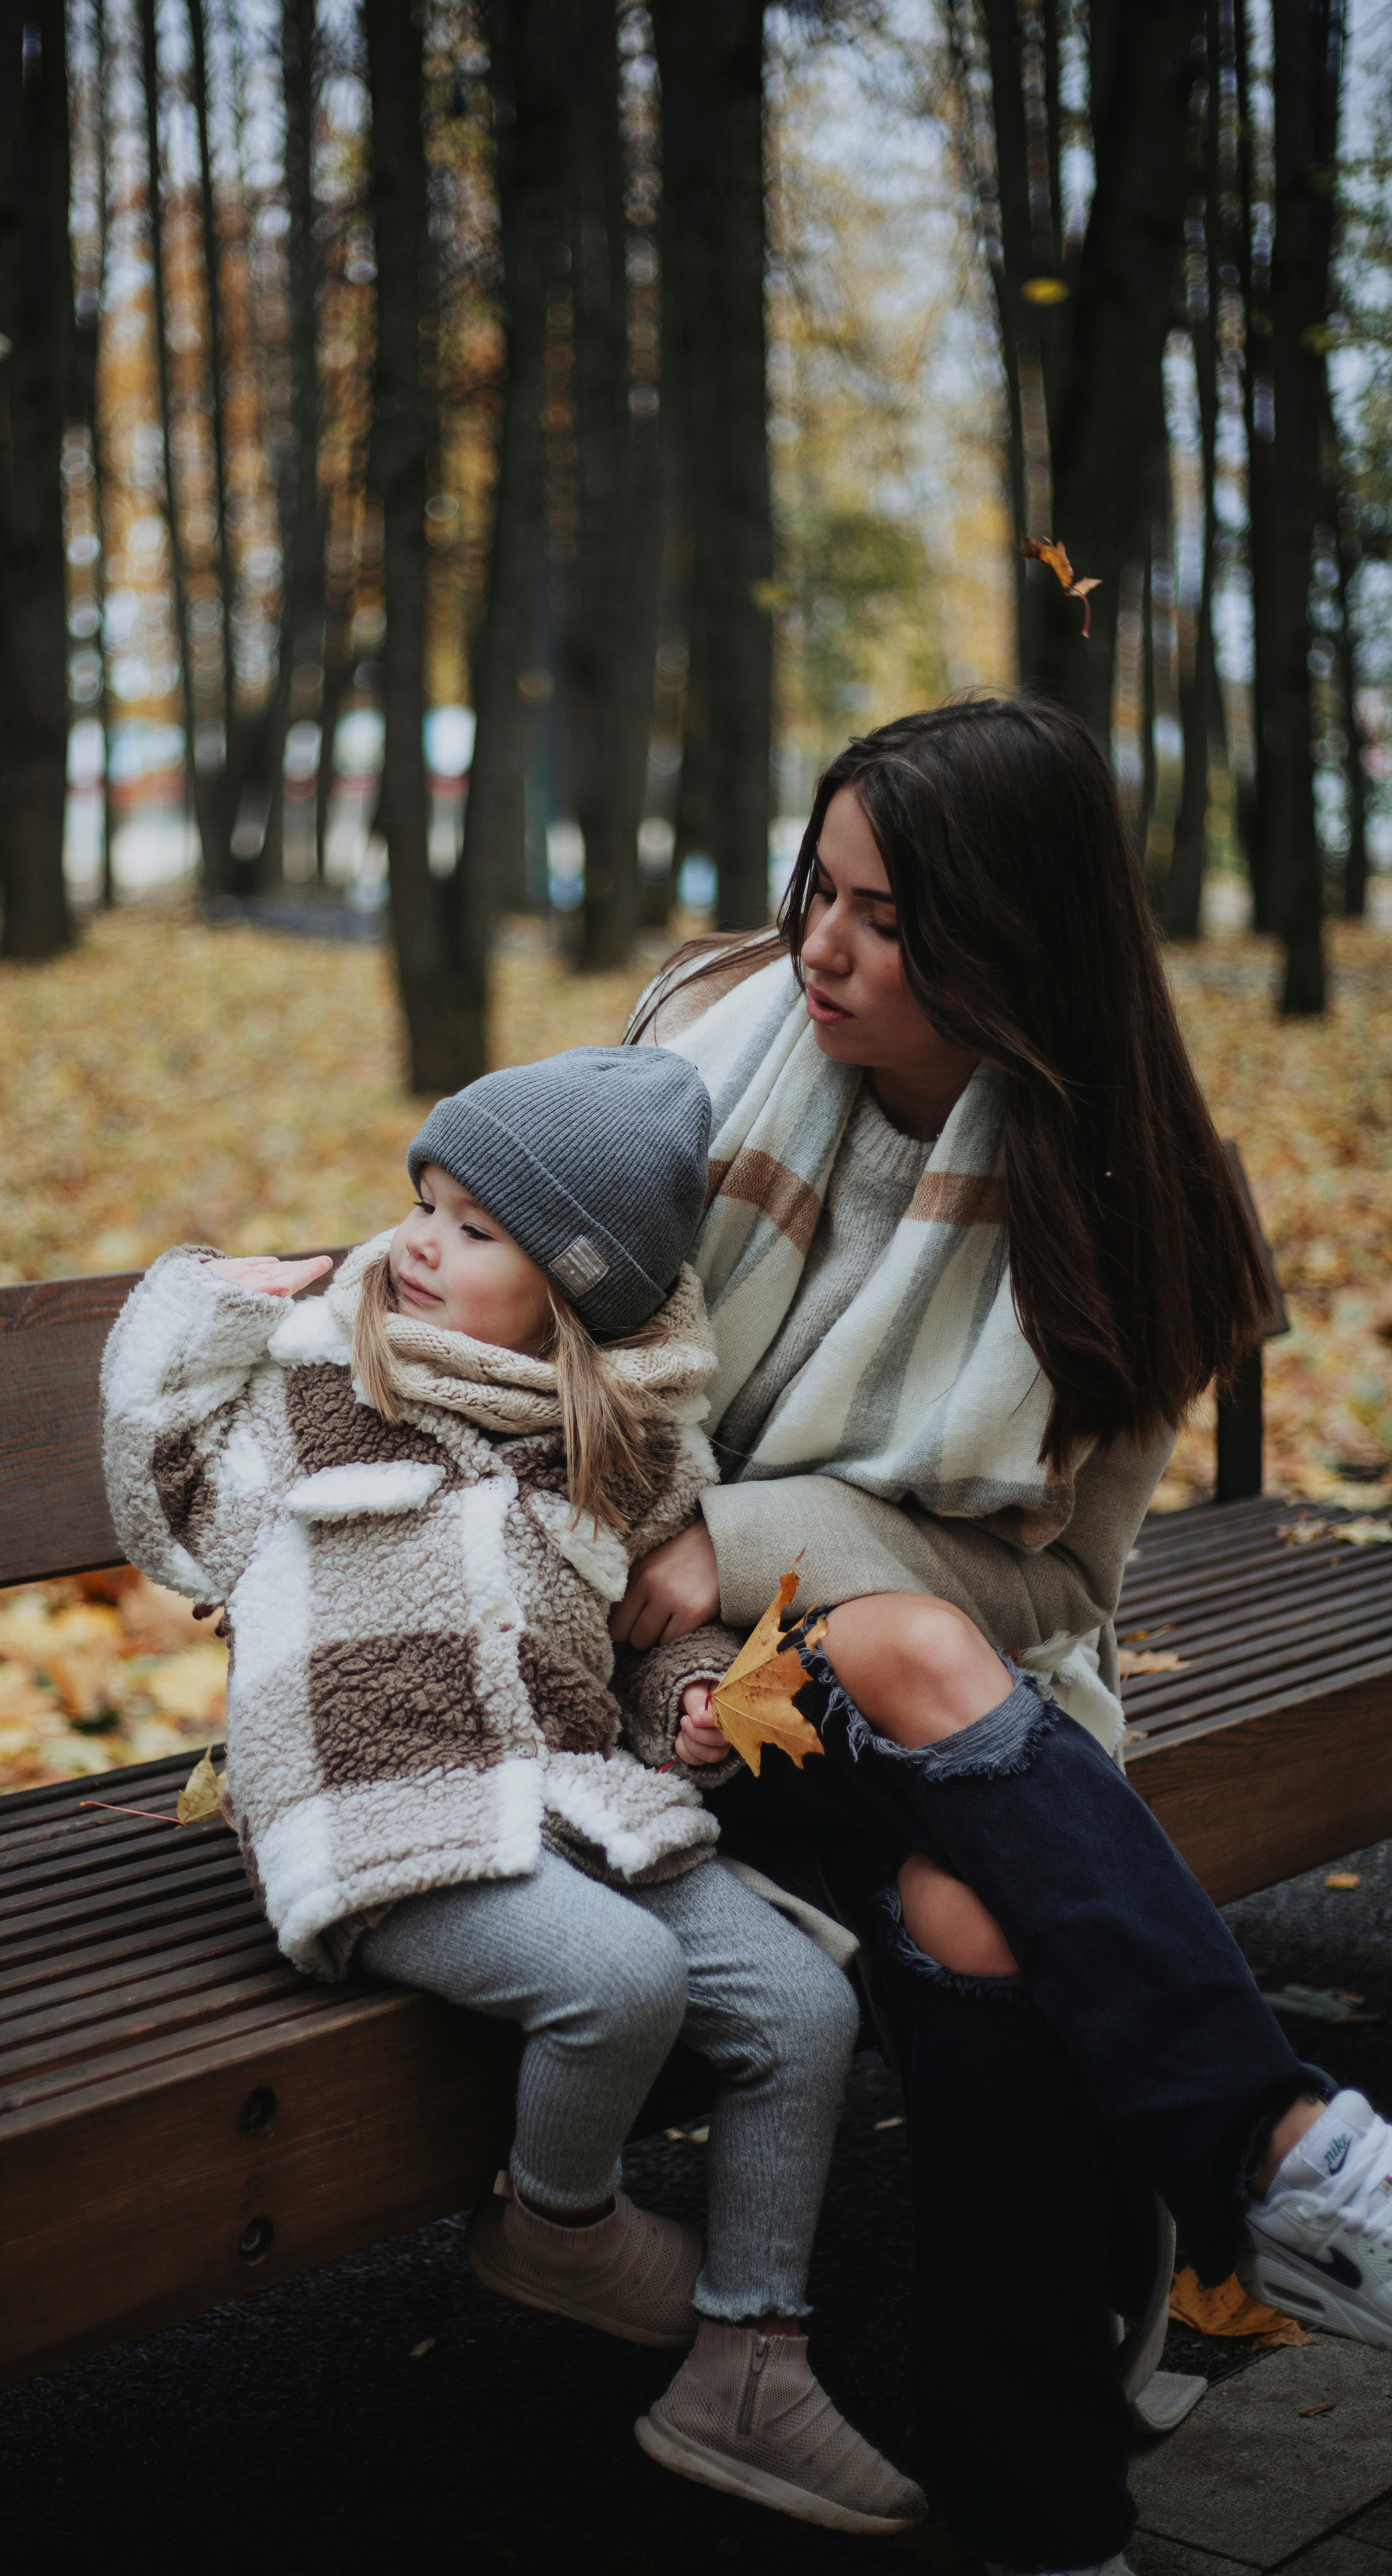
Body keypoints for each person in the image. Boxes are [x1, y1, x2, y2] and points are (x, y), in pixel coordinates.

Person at [613, 695, 1392, 2576]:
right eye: (820, 888)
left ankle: (1038, 2518)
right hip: (650, 1695)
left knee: (976, 1905)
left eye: (889, 919)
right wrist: (702, 1563)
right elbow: (536, 1375)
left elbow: (1059, 1590)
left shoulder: (1127, 1206)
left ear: (1013, 941)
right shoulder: (688, 1079)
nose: (822, 944)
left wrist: (743, 1542)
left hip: (952, 1708)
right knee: (915, 1671)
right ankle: (1279, 2158)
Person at [97, 1046, 924, 2538]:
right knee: (616, 1978)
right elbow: (159, 1505)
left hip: (560, 1793)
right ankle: (557, 2228)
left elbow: (661, 1649)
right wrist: (213, 1307)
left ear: (577, 1289)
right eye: (423, 1201)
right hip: (367, 1801)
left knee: (804, 2006)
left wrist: (688, 1710)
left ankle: (748, 2362)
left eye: (477, 1230)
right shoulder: (323, 1392)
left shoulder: (619, 1443)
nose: (416, 1241)